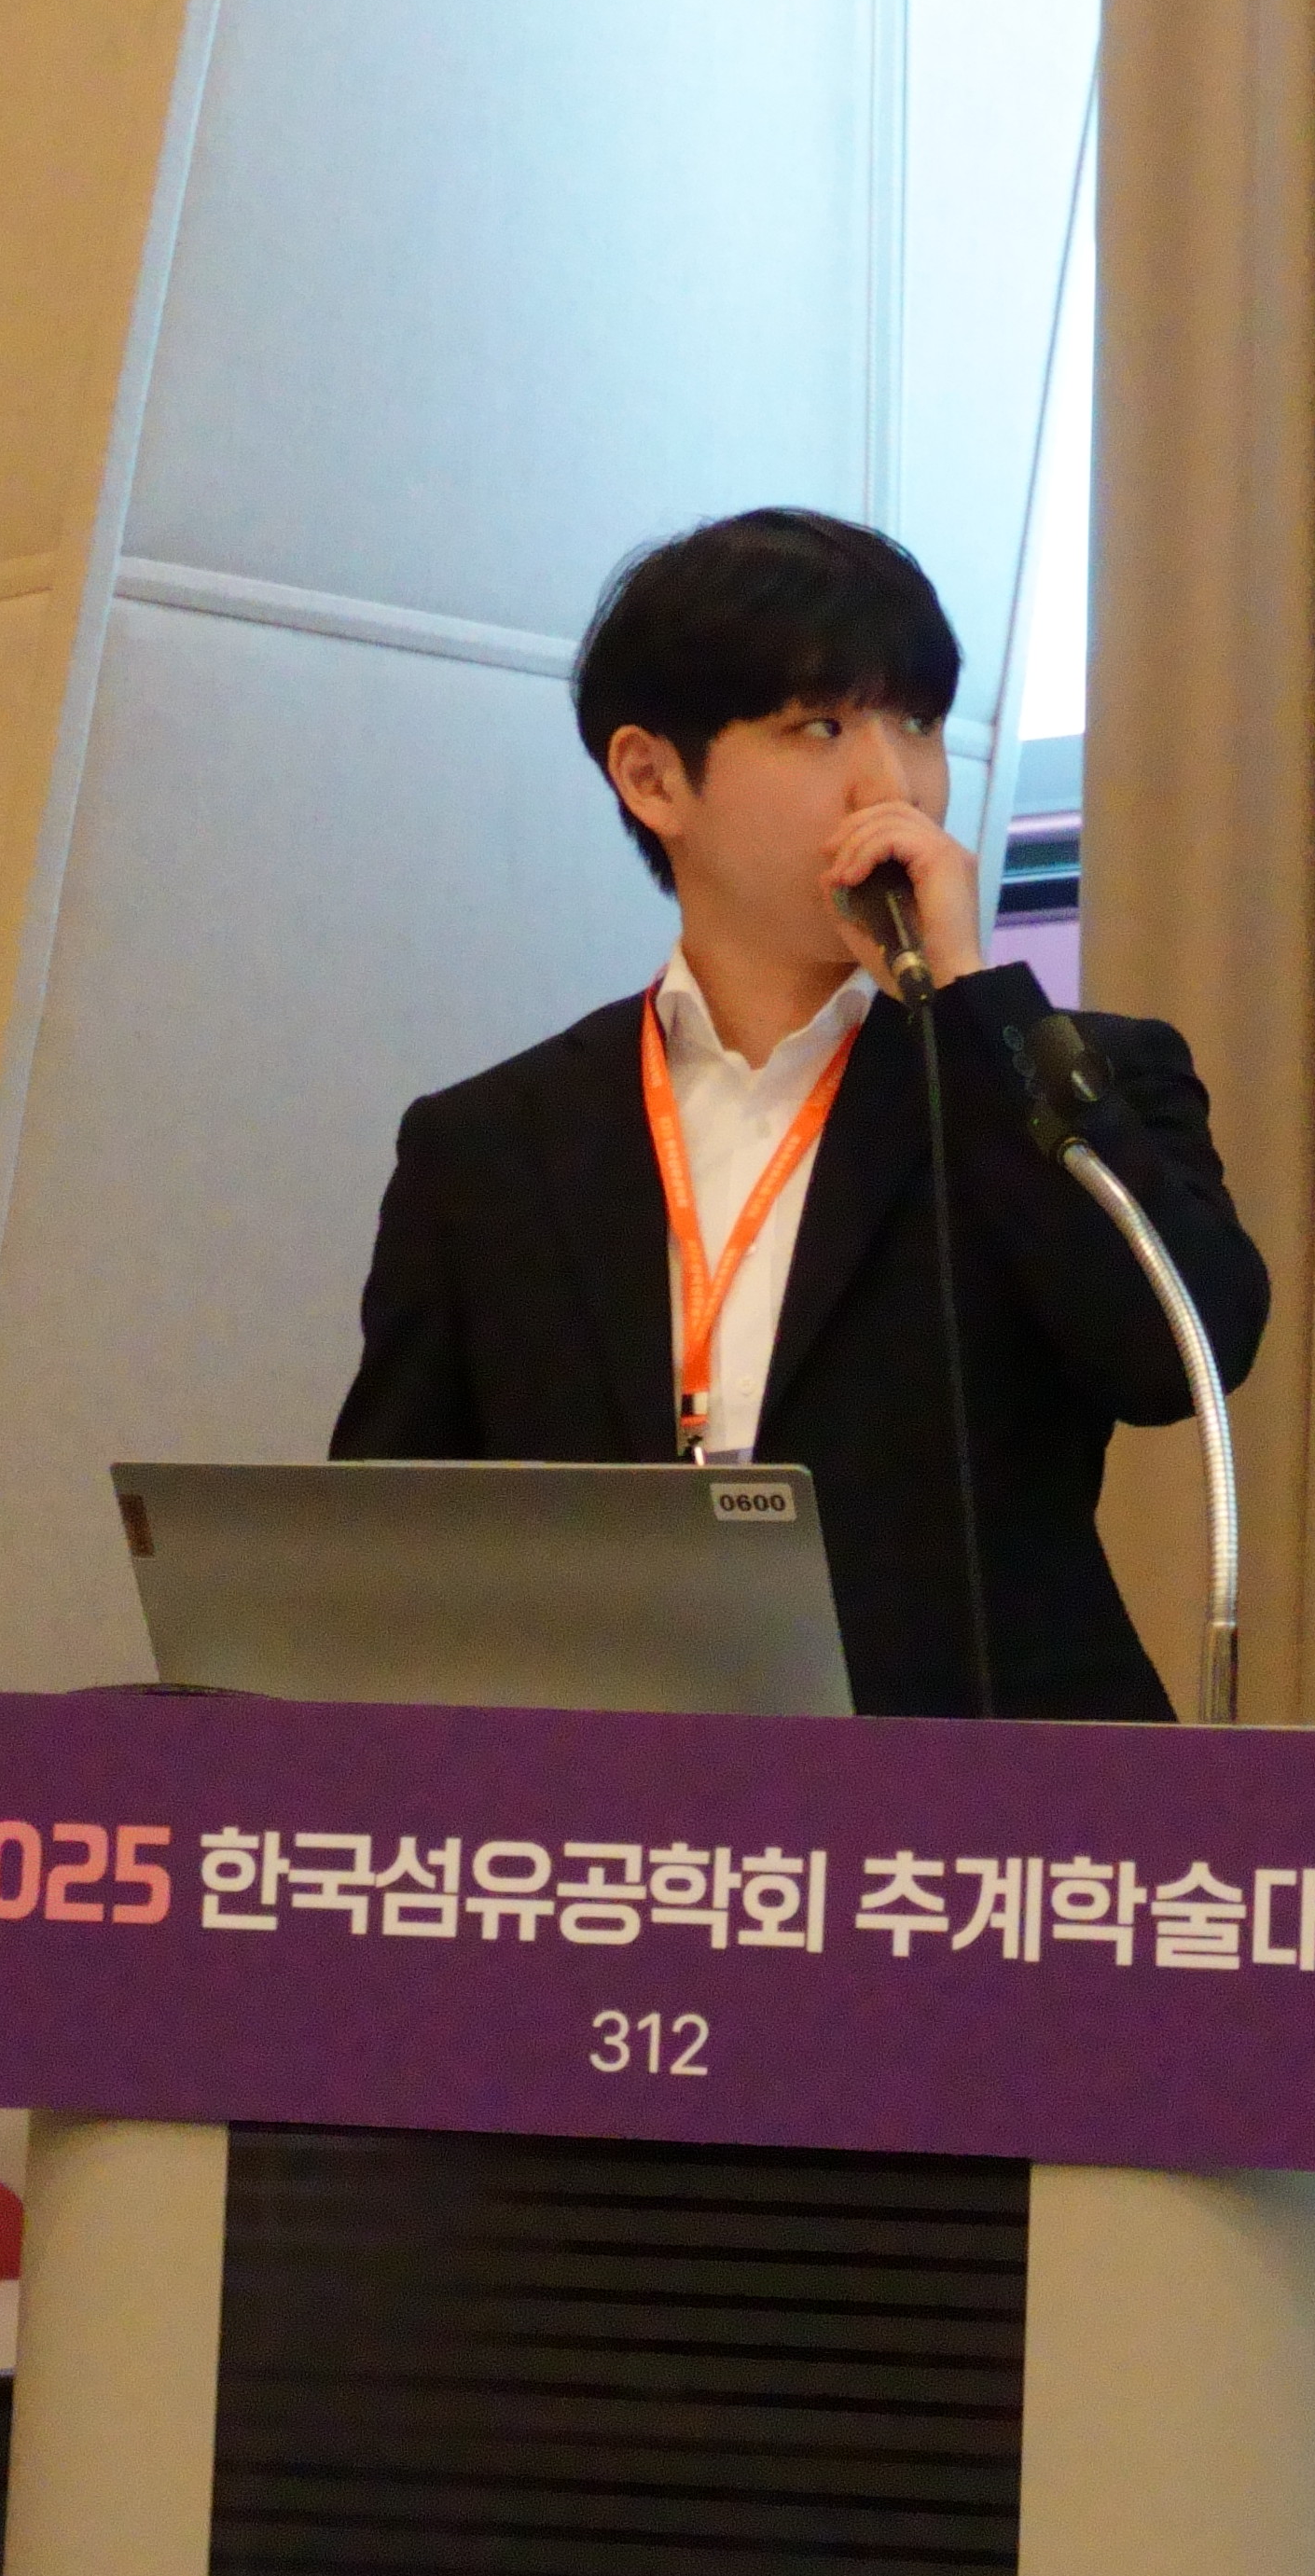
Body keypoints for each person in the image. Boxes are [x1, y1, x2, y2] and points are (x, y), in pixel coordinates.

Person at [329, 508, 1267, 1721]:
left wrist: (969, 1001)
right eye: (820, 728)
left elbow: (1178, 1357)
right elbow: (388, 1549)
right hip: (610, 1799)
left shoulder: (1055, 1076)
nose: (896, 784)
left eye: (917, 723)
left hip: (988, 1800)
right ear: (653, 778)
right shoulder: (491, 1146)